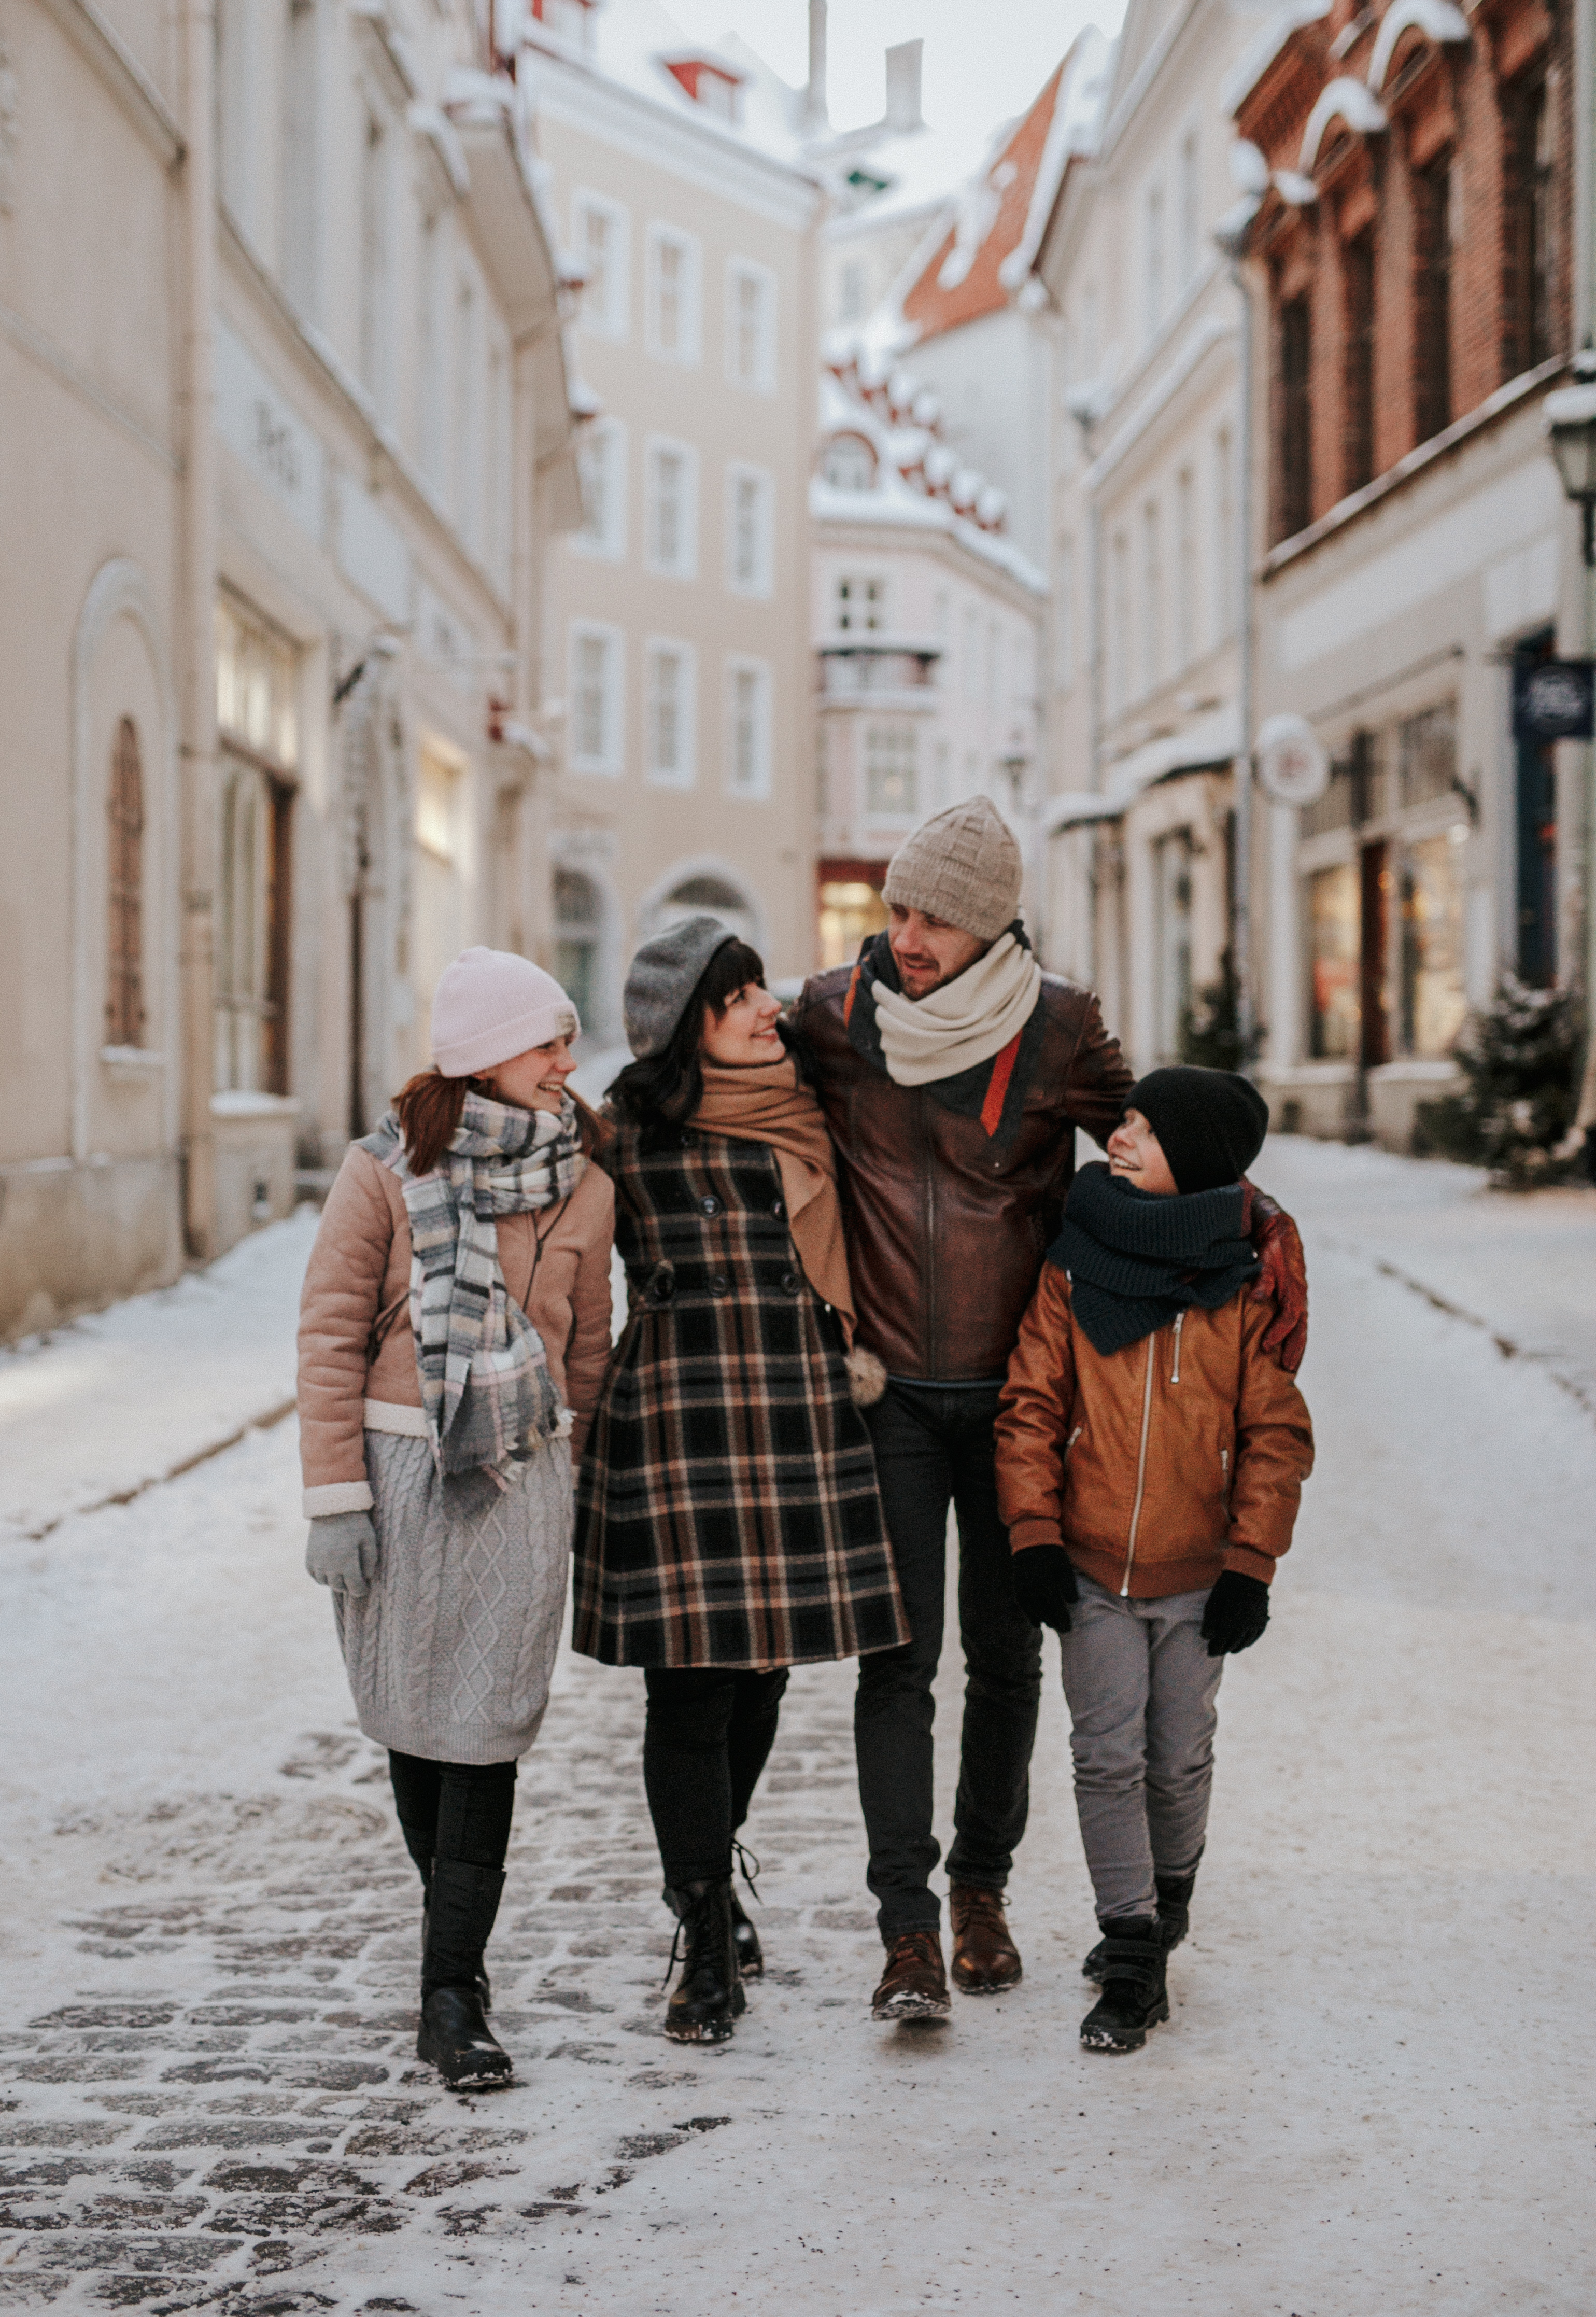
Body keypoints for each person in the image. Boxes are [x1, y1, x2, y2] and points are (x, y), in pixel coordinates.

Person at [788, 797, 1308, 2022]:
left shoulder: (1060, 1024)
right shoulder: (834, 1015)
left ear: (993, 926)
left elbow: (1167, 1144)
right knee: (897, 1658)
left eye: (940, 918)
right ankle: (907, 1928)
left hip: (1025, 1388)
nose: (909, 936)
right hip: (893, 1394)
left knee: (1009, 1649)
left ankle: (982, 1887)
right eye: (900, 909)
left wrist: (1257, 1239)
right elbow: (734, 1091)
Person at [573, 916, 907, 2045]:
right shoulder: (624, 1131)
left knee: (762, 1673)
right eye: (737, 996)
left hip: (796, 1402)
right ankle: (706, 1938)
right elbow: (545, 1236)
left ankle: (704, 1870)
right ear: (686, 1027)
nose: (767, 1006)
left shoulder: (814, 1109)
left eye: (764, 987)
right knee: (688, 1687)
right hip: (679, 1414)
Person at [297, 946, 614, 2088]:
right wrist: (335, 1498)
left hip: (523, 1473)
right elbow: (330, 1338)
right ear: (485, 1054)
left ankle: (452, 1990)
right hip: (398, 1473)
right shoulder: (383, 1170)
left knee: (486, 1724)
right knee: (414, 1715)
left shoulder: (586, 1180)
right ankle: (454, 1954)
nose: (568, 1063)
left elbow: (587, 1353)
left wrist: (574, 1480)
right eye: (548, 1041)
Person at [995, 1066, 1315, 2052]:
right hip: (1090, 1567)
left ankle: (1167, 1899)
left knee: (1178, 1759)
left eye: (1142, 1127)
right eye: (1121, 1121)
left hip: (1197, 1574)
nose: (1117, 1138)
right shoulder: (1073, 1263)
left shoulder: (1241, 1286)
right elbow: (1032, 1406)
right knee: (1106, 1755)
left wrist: (1252, 1562)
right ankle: (1131, 1950)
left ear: (1201, 1160)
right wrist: (1035, 1534)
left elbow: (1274, 1433)